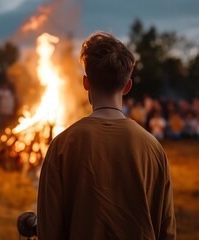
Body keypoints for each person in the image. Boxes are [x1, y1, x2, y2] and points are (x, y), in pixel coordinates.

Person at [37, 32, 176, 239]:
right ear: (127, 86)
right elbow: (166, 230)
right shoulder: (153, 148)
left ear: (86, 82)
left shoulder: (62, 145)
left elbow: (49, 229)